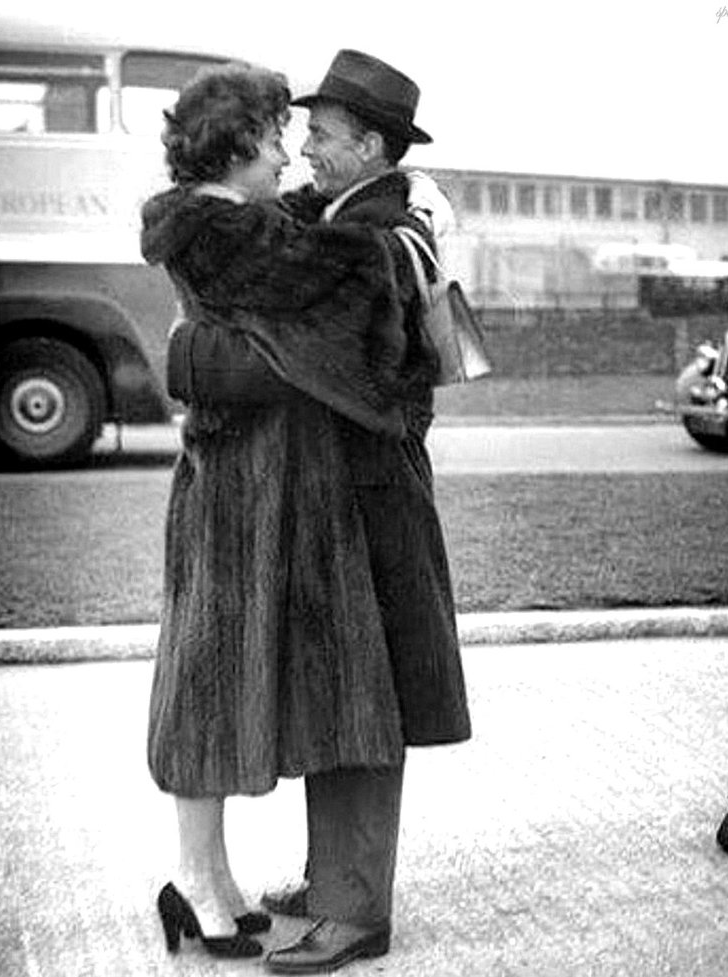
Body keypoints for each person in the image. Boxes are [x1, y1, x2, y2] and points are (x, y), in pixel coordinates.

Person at [165, 50, 472, 975]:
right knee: (345, 693)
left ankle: (357, 912)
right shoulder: (350, 215)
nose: (302, 149)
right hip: (343, 492)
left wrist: (187, 359)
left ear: (369, 144)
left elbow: (298, 360)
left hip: (371, 495)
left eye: (322, 135)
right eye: (294, 133)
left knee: (368, 703)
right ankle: (333, 882)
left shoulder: (380, 234)